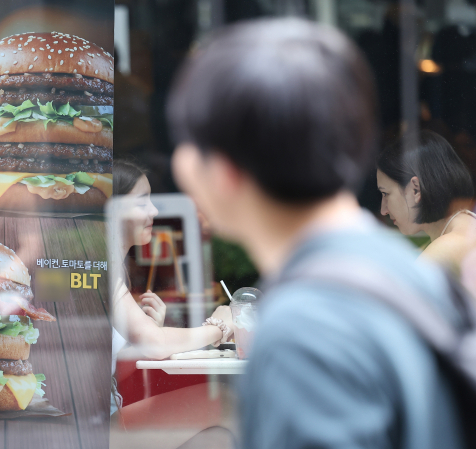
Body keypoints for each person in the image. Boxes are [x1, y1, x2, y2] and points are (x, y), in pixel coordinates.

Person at [167, 18, 465, 449]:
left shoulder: (307, 325)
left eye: (191, 146)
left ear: (229, 168)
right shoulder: (396, 273)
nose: (182, 166)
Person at [110, 160, 236, 448]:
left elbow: (119, 363)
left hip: (108, 421)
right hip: (97, 430)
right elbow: (155, 343)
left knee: (216, 433)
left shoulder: (111, 270)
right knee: (225, 404)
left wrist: (145, 333)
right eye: (142, 202)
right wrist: (218, 326)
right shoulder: (99, 269)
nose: (154, 211)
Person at [377, 130, 476, 275]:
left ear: (415, 190)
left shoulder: (445, 248)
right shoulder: (460, 229)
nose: (383, 210)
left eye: (386, 194)